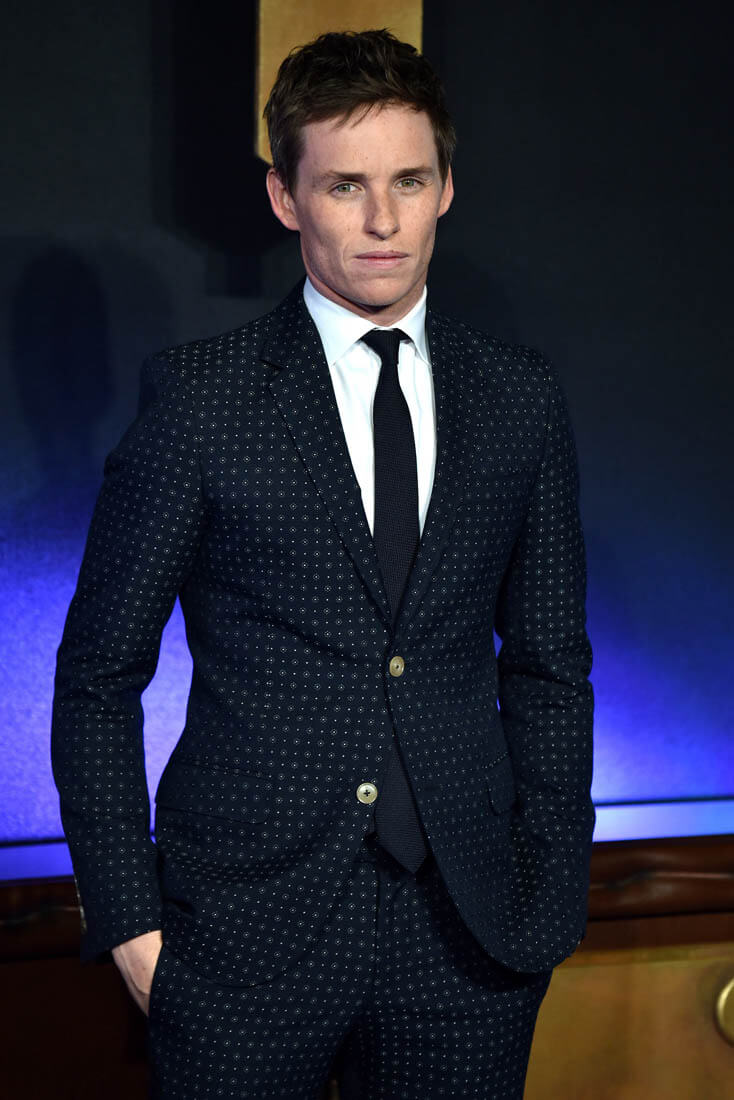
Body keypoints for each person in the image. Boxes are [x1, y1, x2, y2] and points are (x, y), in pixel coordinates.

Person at [51, 28, 594, 1100]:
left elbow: (548, 666)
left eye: (409, 181)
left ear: (446, 187)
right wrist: (129, 925)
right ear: (285, 197)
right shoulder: (202, 399)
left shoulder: (518, 398)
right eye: (345, 185)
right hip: (240, 941)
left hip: (467, 939)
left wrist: (549, 892)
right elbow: (97, 675)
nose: (382, 219)